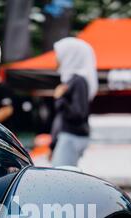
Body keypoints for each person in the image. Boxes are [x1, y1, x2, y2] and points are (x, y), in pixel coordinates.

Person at [50, 37, 98, 167]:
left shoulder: (78, 81)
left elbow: (78, 114)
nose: (56, 58)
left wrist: (60, 98)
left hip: (71, 136)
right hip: (69, 136)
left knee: (60, 178)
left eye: (58, 54)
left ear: (70, 55)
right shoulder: (72, 80)